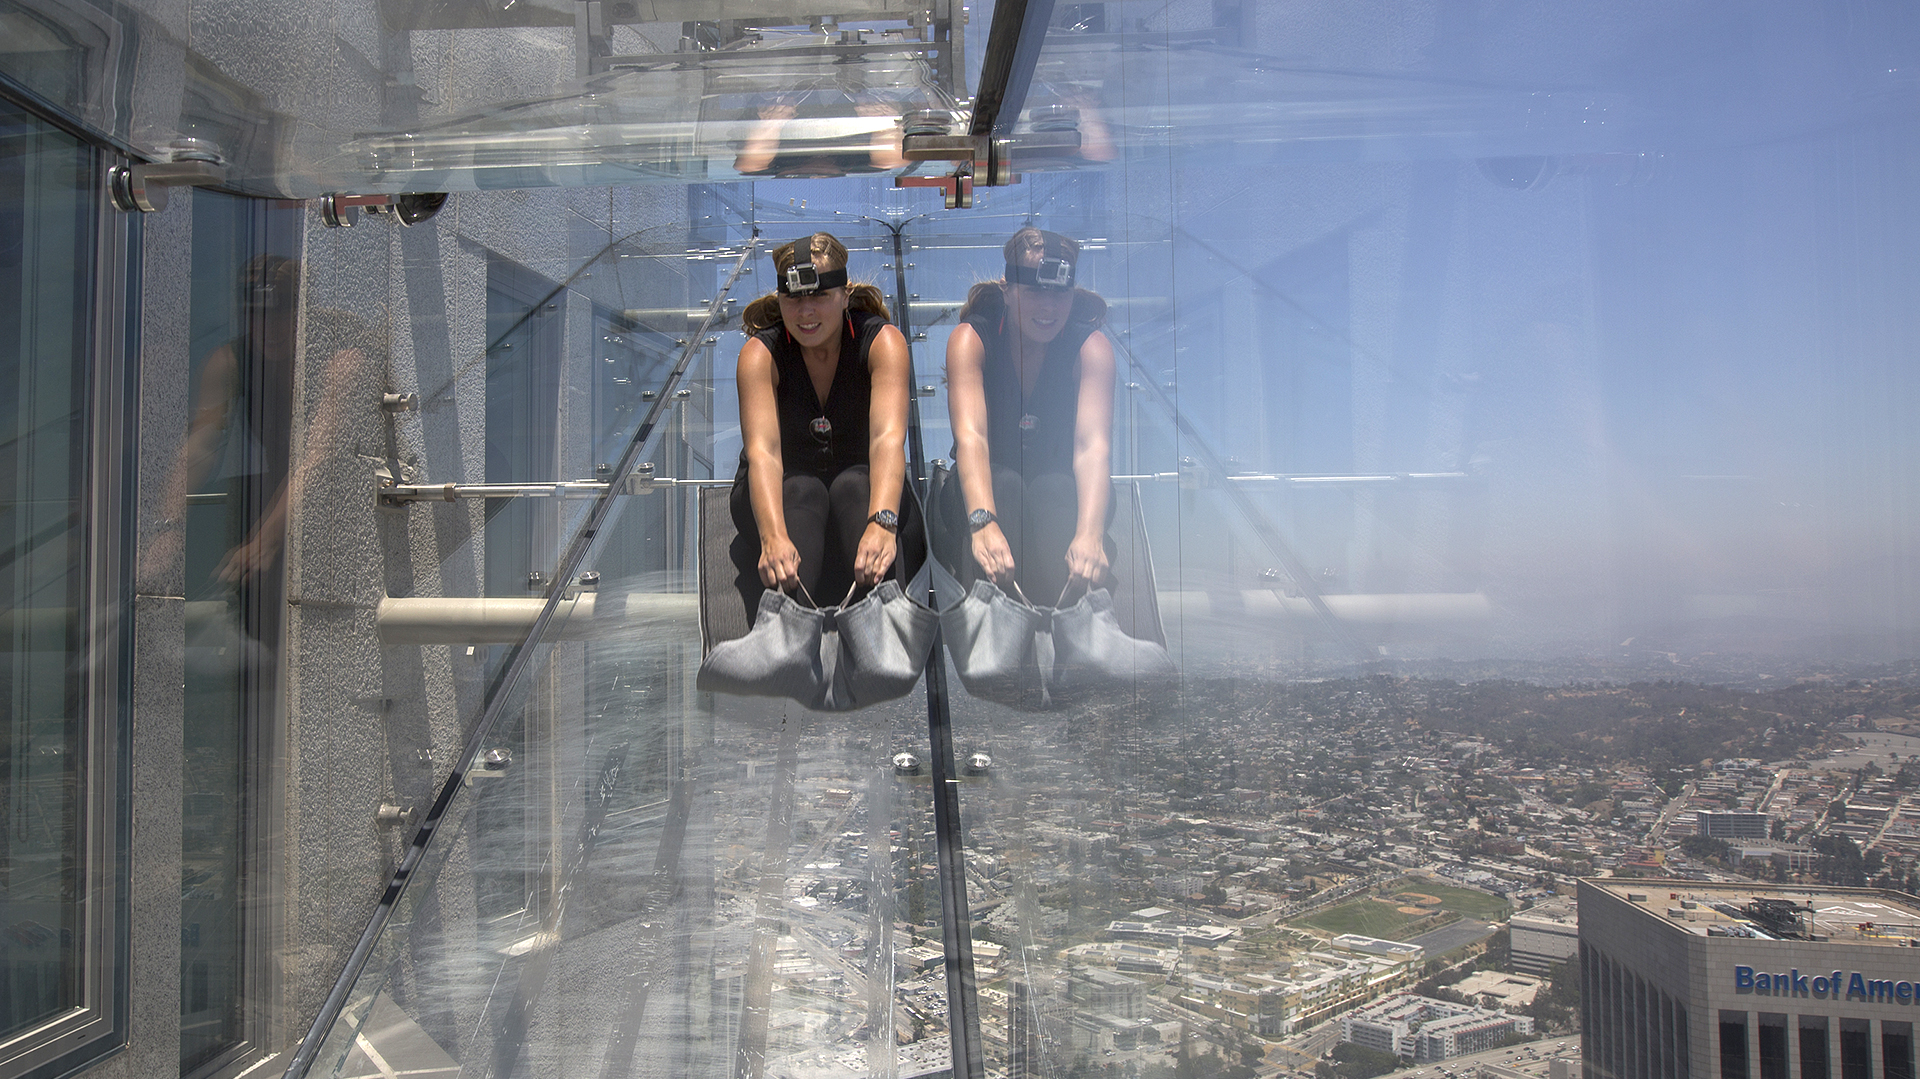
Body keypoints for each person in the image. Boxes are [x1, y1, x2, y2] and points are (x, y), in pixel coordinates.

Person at [729, 233, 917, 620]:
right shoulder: (759, 354)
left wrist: (883, 523)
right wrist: (773, 537)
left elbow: (887, 440)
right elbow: (762, 452)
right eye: (794, 298)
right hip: (784, 499)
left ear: (845, 295)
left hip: (864, 496)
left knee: (855, 484)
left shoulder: (883, 342)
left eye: (819, 297)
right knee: (803, 490)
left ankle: (883, 633)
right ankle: (785, 637)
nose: (805, 312)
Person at [943, 227, 1116, 604]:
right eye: (1035, 291)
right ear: (1006, 290)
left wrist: (1090, 534)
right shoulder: (971, 340)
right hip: (984, 494)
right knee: (1005, 486)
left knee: (1054, 490)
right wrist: (983, 523)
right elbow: (972, 440)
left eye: (1060, 293)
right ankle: (994, 629)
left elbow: (1092, 448)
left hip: (1062, 495)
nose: (1048, 308)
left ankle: (1075, 629)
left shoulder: (1092, 347)